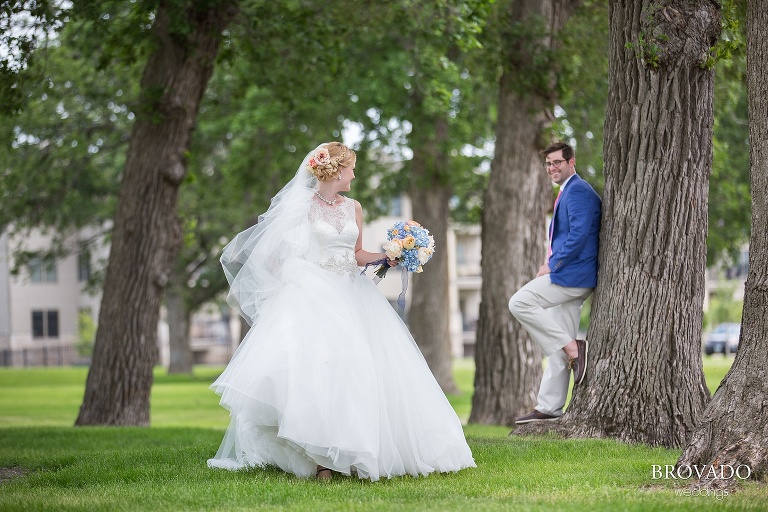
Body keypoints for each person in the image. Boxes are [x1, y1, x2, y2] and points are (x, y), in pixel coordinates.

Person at [207, 142, 475, 480]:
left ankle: (351, 450)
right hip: (312, 292)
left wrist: (385, 257)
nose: (354, 174)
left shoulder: (354, 208)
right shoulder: (302, 208)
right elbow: (273, 254)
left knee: (358, 368)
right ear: (335, 169)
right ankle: (321, 457)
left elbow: (356, 253)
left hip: (351, 291)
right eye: (350, 168)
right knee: (319, 369)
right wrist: (292, 281)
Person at [509, 141, 601, 424]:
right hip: (572, 276)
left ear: (571, 161)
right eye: (549, 164)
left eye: (557, 162)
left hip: (572, 276)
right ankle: (549, 408)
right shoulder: (569, 191)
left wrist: (552, 264)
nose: (552, 168)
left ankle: (574, 348)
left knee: (520, 302)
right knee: (557, 346)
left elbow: (580, 234)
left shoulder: (578, 192)